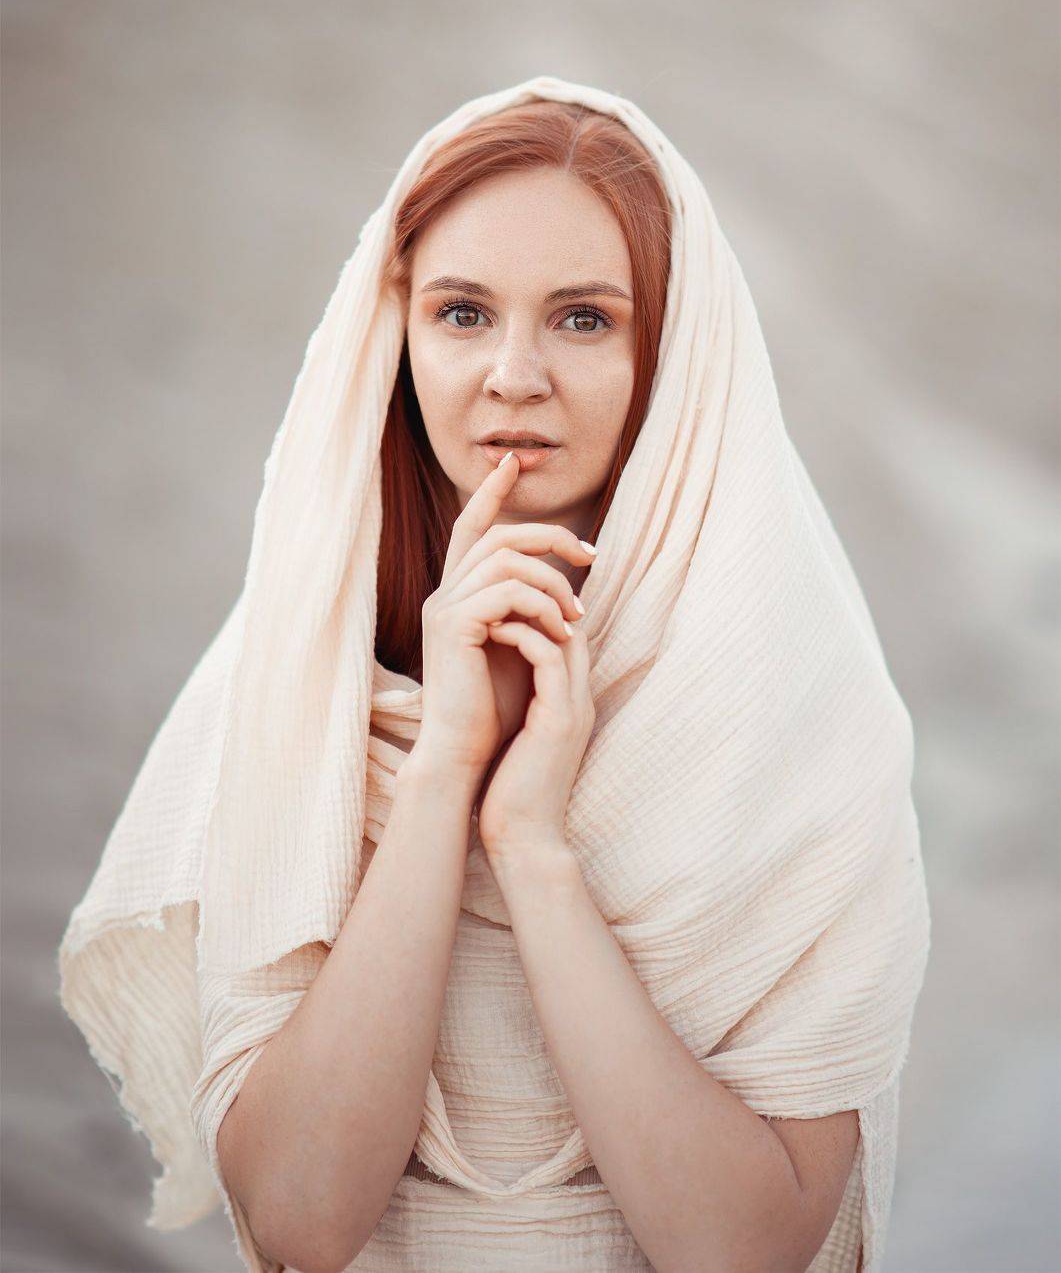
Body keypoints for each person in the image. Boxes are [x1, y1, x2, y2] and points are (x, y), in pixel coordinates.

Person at [57, 75, 931, 1273]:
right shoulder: (296, 669)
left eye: (583, 319)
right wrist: (444, 775)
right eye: (463, 314)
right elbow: (300, 1223)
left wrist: (531, 845)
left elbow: (745, 1249)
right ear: (398, 331)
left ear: (672, 355)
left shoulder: (799, 709)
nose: (512, 376)